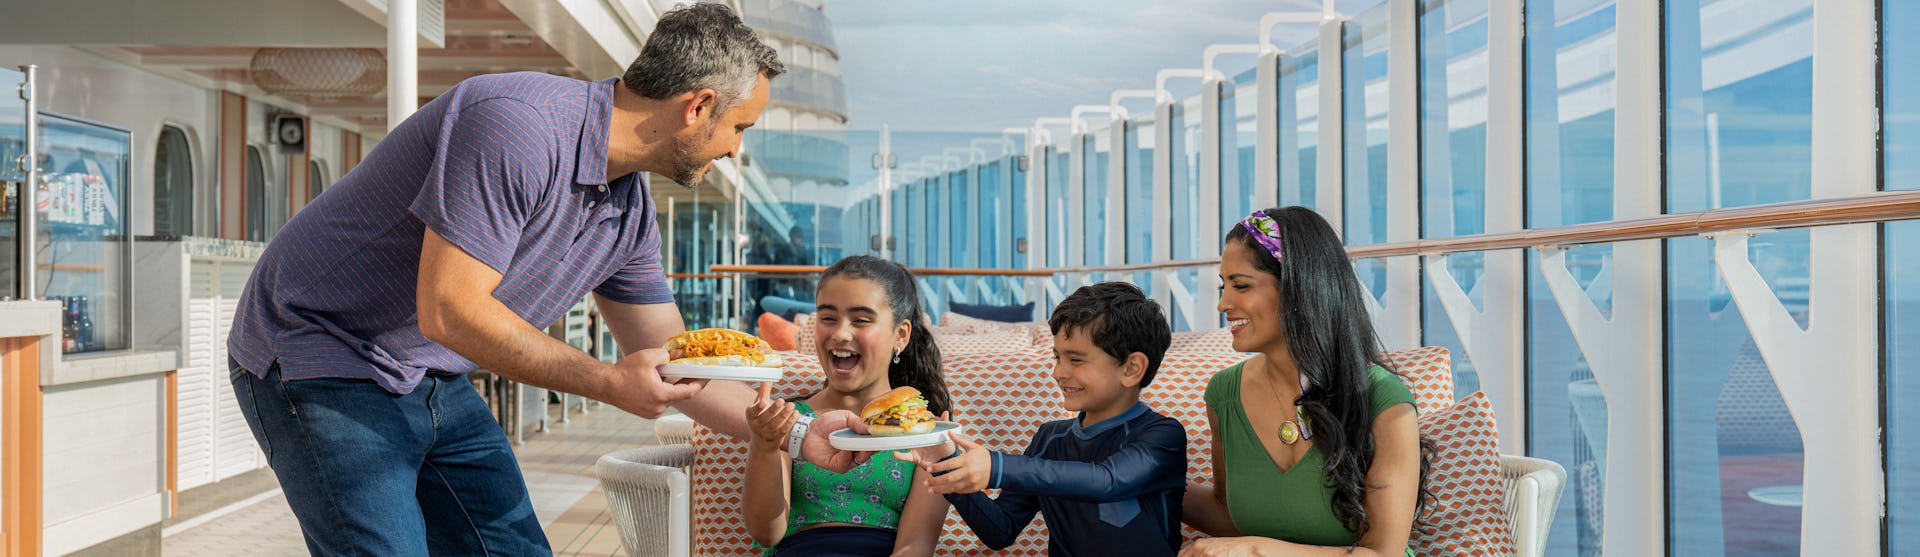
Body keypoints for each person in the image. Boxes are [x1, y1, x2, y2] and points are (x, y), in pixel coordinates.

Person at [224, 4, 785, 555]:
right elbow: (448, 309)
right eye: (740, 127)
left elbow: (675, 360)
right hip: (321, 349)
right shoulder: (518, 124)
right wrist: (607, 381)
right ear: (699, 106)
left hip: (428, 367)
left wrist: (811, 434)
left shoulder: (630, 211)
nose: (738, 149)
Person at [1179, 207, 1425, 557]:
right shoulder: (1223, 395)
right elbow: (1228, 514)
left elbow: (1383, 554)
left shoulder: (1384, 398)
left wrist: (1256, 550)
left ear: (1298, 288)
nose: (1223, 303)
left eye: (1241, 285)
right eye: (1223, 285)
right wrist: (1136, 475)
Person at [900, 281, 1187, 556]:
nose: (1058, 373)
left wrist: (998, 466)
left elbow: (1107, 481)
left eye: (1075, 359)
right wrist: (945, 461)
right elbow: (1000, 530)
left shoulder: (1162, 436)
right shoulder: (1050, 438)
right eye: (1057, 357)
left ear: (1131, 368)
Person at [741, 255, 953, 556]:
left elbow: (914, 547)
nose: (840, 334)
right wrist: (763, 446)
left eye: (861, 320)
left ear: (900, 335)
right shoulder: (790, 419)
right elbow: (766, 532)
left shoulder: (927, 433)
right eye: (828, 318)